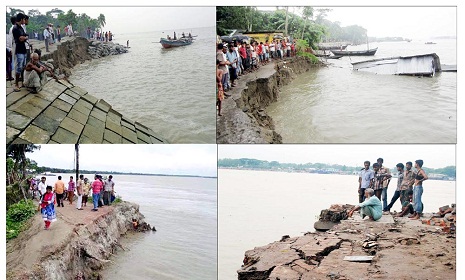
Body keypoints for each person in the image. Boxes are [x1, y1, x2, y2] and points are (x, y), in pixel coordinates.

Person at [12, 13, 28, 92]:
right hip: (19, 50)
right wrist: (24, 38)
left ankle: (22, 82)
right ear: (21, 19)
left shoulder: (21, 28)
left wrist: (24, 37)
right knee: (19, 67)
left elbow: (24, 36)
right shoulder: (15, 28)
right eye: (24, 19)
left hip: (23, 49)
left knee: (23, 66)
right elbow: (21, 39)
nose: (24, 21)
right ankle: (16, 84)